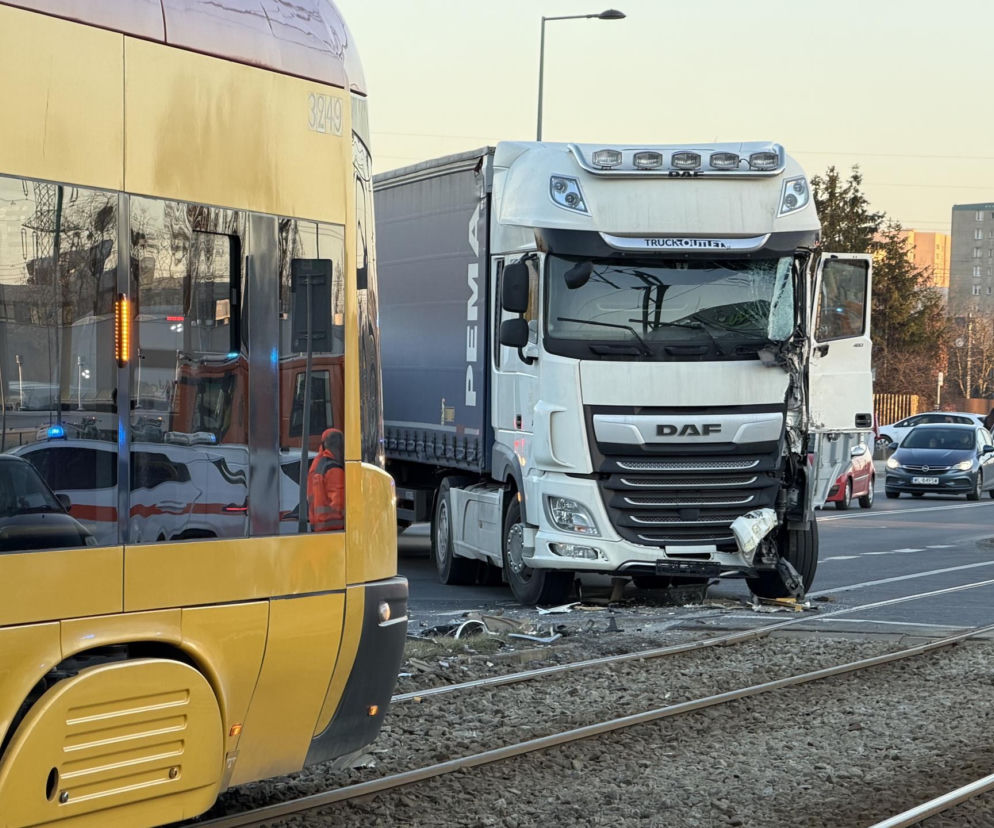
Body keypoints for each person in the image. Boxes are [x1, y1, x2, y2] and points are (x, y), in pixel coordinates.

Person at [307, 427, 345, 531]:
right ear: (340, 447)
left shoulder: (319, 465)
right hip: (335, 529)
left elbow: (311, 498)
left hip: (320, 527)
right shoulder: (334, 469)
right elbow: (339, 504)